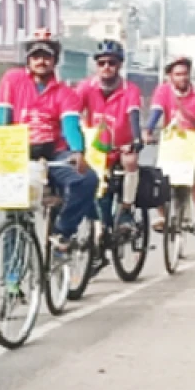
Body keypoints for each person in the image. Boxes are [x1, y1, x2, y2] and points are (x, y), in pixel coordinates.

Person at [0, 28, 98, 254]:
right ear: (28, 60)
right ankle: (12, 279)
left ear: (55, 60)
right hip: (17, 151)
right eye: (36, 56)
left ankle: (63, 230)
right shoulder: (12, 80)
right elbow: (3, 117)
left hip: (54, 155)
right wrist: (1, 152)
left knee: (87, 180)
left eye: (47, 56)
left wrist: (78, 151)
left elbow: (70, 125)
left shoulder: (65, 93)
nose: (41, 61)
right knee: (15, 215)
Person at [145, 55, 195, 264]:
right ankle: (162, 215)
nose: (182, 78)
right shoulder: (163, 91)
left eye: (185, 73)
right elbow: (156, 113)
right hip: (173, 144)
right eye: (177, 74)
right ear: (170, 76)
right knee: (159, 182)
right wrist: (148, 131)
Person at [78, 40, 142, 246]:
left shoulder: (129, 89)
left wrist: (136, 139)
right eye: (102, 62)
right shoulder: (86, 87)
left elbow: (133, 115)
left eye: (111, 63)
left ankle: (125, 209)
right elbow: (71, 112)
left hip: (121, 146)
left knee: (131, 161)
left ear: (119, 65)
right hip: (96, 150)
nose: (106, 67)